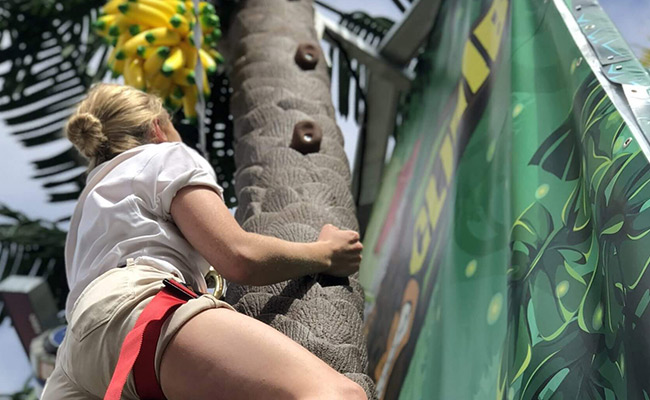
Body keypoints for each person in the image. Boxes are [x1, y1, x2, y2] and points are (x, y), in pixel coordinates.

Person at [41, 83, 367, 400]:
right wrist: (326, 253)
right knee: (336, 394)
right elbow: (239, 256)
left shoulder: (89, 204)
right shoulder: (164, 155)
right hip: (135, 317)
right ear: (158, 128)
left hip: (74, 363)